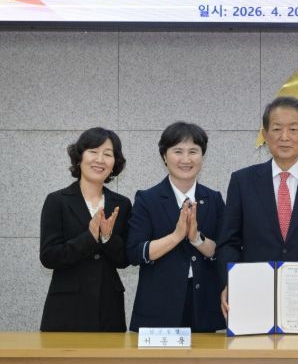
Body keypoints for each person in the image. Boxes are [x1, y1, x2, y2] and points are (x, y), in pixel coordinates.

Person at [217, 96, 298, 322]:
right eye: (277, 129)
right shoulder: (243, 181)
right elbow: (228, 242)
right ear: (265, 134)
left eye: (293, 129)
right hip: (252, 295)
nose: (284, 137)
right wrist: (232, 282)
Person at [127, 122, 225, 332]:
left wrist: (196, 239)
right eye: (178, 151)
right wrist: (176, 236)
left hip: (204, 306)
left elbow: (223, 250)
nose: (186, 159)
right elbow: (134, 252)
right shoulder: (147, 199)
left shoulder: (214, 199)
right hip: (159, 307)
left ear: (202, 156)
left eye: (193, 151)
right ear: (164, 156)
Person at [40, 127, 131, 331]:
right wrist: (89, 237)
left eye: (108, 154)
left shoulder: (122, 204)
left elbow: (125, 259)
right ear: (79, 157)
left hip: (109, 307)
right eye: (93, 151)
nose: (100, 159)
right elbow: (48, 256)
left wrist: (107, 237)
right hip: (67, 307)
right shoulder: (57, 200)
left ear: (114, 163)